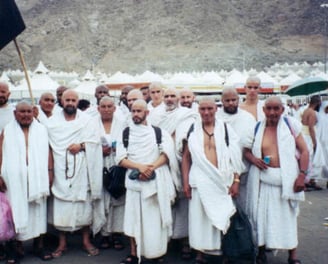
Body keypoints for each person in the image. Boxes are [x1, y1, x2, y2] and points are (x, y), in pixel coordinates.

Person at [244, 96, 309, 264]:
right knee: (261, 218)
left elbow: (304, 151)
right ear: (264, 110)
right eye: (269, 109)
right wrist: (254, 159)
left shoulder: (291, 125)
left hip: (286, 182)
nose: (272, 112)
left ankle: (292, 255)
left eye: (276, 109)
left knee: (288, 219)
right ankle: (260, 252)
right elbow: (245, 150)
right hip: (263, 181)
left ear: (282, 109)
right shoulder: (257, 127)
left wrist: (302, 175)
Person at [181, 97, 244, 264]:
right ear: (198, 110)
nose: (206, 112)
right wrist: (185, 183)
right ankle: (200, 254)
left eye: (209, 108)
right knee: (199, 219)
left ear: (216, 109)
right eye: (203, 109)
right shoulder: (192, 130)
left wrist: (236, 181)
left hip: (221, 181)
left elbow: (236, 158)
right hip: (199, 181)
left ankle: (223, 252)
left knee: (223, 217)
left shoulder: (226, 129)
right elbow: (186, 158)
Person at [116, 99, 178, 264]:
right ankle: (134, 253)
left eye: (139, 111)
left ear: (147, 113)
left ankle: (156, 253)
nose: (136, 114)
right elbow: (120, 159)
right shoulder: (125, 133)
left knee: (154, 222)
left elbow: (166, 154)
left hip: (154, 183)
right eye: (133, 111)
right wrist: (140, 168)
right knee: (132, 220)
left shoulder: (159, 132)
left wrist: (149, 169)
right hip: (134, 183)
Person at [46, 90, 103, 258]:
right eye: (67, 100)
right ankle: (62, 243)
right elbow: (48, 145)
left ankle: (86, 241)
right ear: (61, 101)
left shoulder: (87, 121)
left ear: (78, 102)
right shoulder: (52, 122)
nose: (70, 102)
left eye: (73, 100)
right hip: (60, 169)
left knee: (83, 205)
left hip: (81, 169)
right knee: (61, 206)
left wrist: (82, 145)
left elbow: (95, 142)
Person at [148, 88, 198, 260]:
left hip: (180, 162)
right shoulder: (154, 115)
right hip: (160, 162)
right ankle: (166, 241)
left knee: (183, 203)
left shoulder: (187, 114)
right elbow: (151, 135)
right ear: (163, 98)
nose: (169, 99)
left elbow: (187, 137)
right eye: (166, 96)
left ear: (178, 99)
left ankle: (185, 241)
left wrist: (171, 141)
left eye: (172, 96)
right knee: (163, 202)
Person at [0, 101, 52, 263]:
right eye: (22, 112)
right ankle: (16, 247)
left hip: (38, 179)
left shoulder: (42, 130)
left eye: (29, 111)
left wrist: (50, 172)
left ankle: (39, 246)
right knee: (16, 211)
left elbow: (49, 152)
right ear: (15, 113)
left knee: (38, 211)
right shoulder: (7, 131)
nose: (25, 115)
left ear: (33, 112)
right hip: (14, 180)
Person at [216, 87, 256, 210]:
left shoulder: (248, 118)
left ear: (239, 100)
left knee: (243, 206)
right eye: (227, 100)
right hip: (221, 171)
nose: (231, 103)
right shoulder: (216, 118)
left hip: (243, 169)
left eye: (234, 100)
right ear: (222, 101)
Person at [95, 96, 126, 251]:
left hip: (117, 165)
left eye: (109, 106)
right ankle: (104, 234)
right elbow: (86, 143)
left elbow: (128, 143)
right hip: (99, 165)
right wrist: (98, 150)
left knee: (118, 199)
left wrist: (116, 150)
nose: (106, 109)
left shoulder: (122, 124)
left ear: (114, 108)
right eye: (103, 106)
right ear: (98, 108)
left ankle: (117, 234)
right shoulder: (92, 125)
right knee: (101, 199)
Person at [301, 95, 323, 190]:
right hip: (309, 137)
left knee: (309, 158)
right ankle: (308, 181)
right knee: (311, 159)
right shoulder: (312, 113)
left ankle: (310, 180)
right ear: (317, 103)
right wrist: (314, 142)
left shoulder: (305, 111)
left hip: (304, 135)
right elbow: (311, 128)